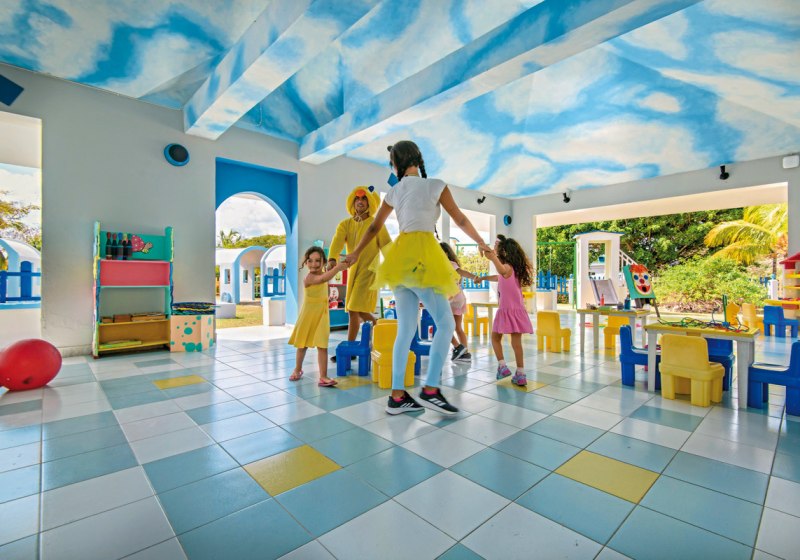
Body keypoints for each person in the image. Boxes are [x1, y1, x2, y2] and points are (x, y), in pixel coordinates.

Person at [344, 140, 490, 415]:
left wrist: (354, 253)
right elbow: (459, 219)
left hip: (400, 261)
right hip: (423, 258)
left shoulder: (395, 191)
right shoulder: (435, 185)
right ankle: (430, 389)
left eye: (392, 163)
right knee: (446, 323)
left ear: (397, 164)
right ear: (417, 160)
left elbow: (374, 227)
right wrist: (481, 242)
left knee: (406, 329)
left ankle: (397, 397)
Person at [328, 186, 392, 362]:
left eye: (364, 199)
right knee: (353, 311)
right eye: (357, 199)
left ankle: (384, 333)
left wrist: (395, 266)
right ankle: (352, 349)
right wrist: (332, 258)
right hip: (353, 271)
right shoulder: (345, 224)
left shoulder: (376, 224)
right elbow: (337, 241)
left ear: (369, 203)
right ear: (352, 202)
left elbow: (387, 245)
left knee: (356, 308)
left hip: (370, 270)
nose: (360, 202)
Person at [288, 246, 350, 386]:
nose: (314, 264)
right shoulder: (309, 277)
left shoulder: (324, 272)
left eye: (318, 260)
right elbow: (323, 278)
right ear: (306, 262)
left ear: (323, 262)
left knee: (322, 344)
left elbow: (325, 275)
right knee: (302, 345)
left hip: (322, 314)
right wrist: (337, 268)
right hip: (308, 314)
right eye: (310, 261)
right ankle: (297, 369)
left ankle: (323, 376)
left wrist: (335, 265)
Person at [480, 235, 534, 386]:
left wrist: (493, 258)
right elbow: (498, 276)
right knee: (517, 344)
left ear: (504, 252)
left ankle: (502, 366)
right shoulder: (514, 269)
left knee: (495, 338)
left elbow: (501, 270)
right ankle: (521, 374)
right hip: (518, 310)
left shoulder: (506, 267)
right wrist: (483, 278)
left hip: (506, 310)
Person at [439, 242, 478, 362]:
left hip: (451, 299)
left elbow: (461, 272)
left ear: (446, 253)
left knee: (444, 327)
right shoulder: (451, 264)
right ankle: (465, 353)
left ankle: (458, 347)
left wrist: (474, 277)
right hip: (458, 298)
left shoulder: (448, 264)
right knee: (458, 328)